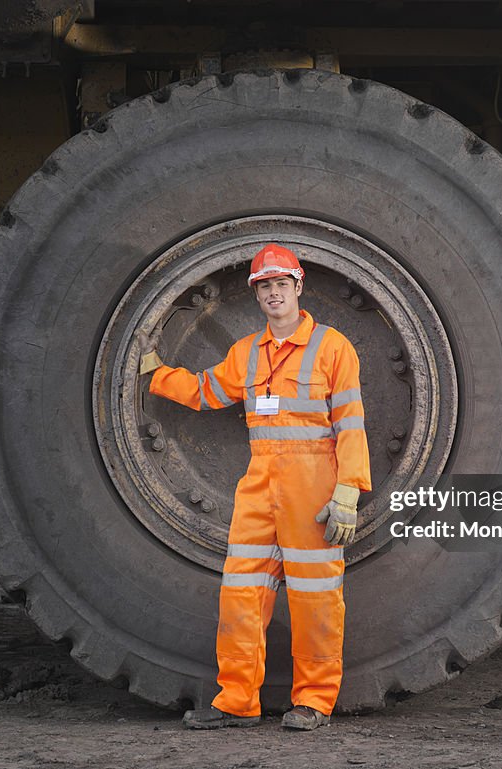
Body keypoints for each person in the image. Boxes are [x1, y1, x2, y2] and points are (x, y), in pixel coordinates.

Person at [136, 243, 371, 731]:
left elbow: (351, 424)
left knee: (316, 596)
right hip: (259, 485)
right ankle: (237, 699)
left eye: (280, 284)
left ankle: (314, 701)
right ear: (256, 294)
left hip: (314, 490)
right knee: (241, 592)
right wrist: (155, 374)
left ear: (298, 286)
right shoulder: (245, 353)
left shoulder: (333, 348)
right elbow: (204, 392)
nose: (273, 293)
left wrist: (348, 491)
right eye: (264, 286)